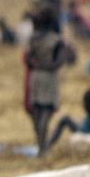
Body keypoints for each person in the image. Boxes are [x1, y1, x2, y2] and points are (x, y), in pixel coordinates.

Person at [24, 9, 67, 156]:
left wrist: (37, 66)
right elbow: (60, 62)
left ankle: (40, 145)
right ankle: (43, 148)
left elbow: (28, 58)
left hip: (36, 76)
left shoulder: (34, 39)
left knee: (36, 111)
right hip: (50, 77)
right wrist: (48, 67)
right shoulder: (56, 40)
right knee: (46, 113)